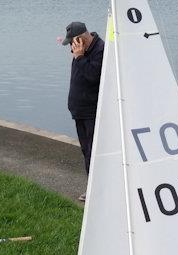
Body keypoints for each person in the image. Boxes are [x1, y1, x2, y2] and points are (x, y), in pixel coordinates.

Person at [62, 21, 104, 201]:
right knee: (86, 150)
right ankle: (94, 187)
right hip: (80, 111)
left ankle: (96, 190)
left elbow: (93, 76)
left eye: (73, 42)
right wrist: (78, 55)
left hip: (92, 113)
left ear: (82, 39)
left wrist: (79, 57)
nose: (71, 47)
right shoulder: (82, 50)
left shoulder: (101, 50)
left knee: (93, 152)